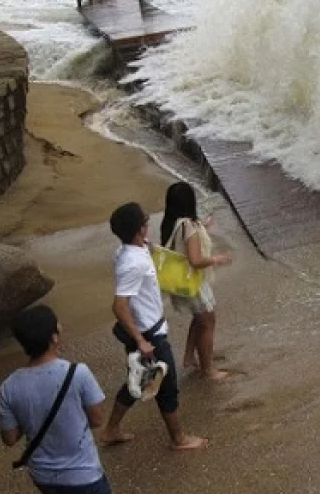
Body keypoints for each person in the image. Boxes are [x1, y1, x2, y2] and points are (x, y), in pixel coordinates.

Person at [99, 202, 208, 451]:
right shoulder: (133, 263)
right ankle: (178, 438)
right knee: (166, 388)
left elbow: (145, 253)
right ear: (141, 229)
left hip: (147, 330)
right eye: (146, 222)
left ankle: (111, 430)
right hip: (149, 336)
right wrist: (140, 340)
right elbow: (119, 305)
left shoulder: (127, 251)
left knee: (138, 380)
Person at [0, 305, 112, 494]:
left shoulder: (8, 387)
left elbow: (10, 438)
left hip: (43, 475)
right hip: (83, 473)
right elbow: (97, 420)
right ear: (54, 338)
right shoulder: (78, 373)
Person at [161, 182, 232, 380]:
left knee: (200, 318)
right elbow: (195, 260)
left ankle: (190, 356)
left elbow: (187, 239)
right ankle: (207, 370)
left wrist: (203, 224)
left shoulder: (173, 222)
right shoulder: (189, 226)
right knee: (207, 321)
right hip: (193, 282)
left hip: (183, 282)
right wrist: (217, 259)